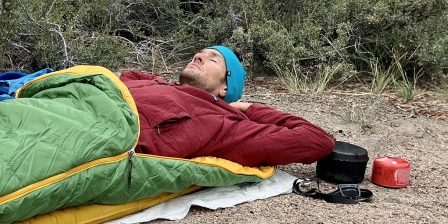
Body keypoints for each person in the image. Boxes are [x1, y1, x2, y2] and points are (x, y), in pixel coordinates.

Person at [120, 45, 334, 167]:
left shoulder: (222, 123)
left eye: (214, 60)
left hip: (109, 131)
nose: (199, 57)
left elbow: (316, 140)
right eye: (200, 54)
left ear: (224, 87)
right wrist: (169, 84)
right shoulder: (157, 83)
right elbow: (130, 75)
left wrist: (247, 108)